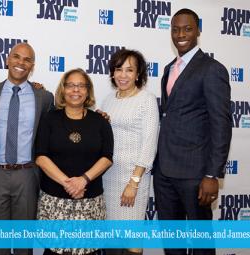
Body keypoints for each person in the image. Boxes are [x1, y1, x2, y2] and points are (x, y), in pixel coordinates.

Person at [153, 8, 232, 255]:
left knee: (201, 244)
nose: (181, 34)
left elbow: (221, 124)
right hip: (164, 171)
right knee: (172, 242)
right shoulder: (168, 68)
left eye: (187, 28)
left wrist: (212, 175)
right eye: (175, 29)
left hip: (196, 174)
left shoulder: (211, 69)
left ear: (198, 30)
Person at [0, 42, 54, 255]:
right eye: (16, 57)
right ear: (7, 59)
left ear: (32, 65)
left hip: (27, 175)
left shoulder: (43, 97)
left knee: (24, 246)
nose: (21, 63)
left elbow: (64, 121)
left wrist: (98, 116)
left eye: (27, 59)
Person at [35, 68, 114, 255]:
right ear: (63, 89)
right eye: (70, 85)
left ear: (88, 91)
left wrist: (83, 180)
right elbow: (40, 156)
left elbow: (107, 157)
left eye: (81, 86)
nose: (75, 90)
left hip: (90, 201)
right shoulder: (49, 119)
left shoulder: (100, 121)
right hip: (55, 200)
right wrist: (69, 184)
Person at [101, 49, 159, 255]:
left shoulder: (147, 100)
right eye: (119, 69)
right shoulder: (108, 100)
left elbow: (149, 144)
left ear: (138, 74)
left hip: (132, 179)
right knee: (111, 238)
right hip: (108, 178)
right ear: (112, 72)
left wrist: (133, 183)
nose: (123, 75)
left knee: (131, 239)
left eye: (129, 70)